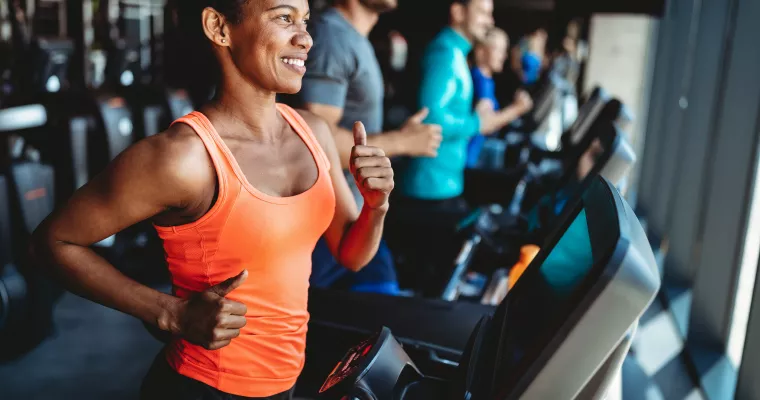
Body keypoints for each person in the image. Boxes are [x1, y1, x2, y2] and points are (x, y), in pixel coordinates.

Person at [31, 1, 394, 399]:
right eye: (284, 17)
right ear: (219, 27)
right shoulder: (184, 157)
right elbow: (54, 242)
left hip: (285, 382)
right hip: (203, 385)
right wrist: (169, 312)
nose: (305, 38)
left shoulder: (314, 132)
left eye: (305, 21)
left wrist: (375, 206)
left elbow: (351, 254)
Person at [292, 0, 442, 295]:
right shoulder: (332, 36)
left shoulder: (351, 36)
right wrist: (402, 142)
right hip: (328, 226)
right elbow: (315, 135)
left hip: (356, 216)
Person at [397, 0, 532, 211]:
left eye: (490, 14)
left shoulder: (456, 53)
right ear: (458, 12)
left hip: (445, 182)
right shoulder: (445, 54)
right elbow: (431, 118)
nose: (490, 21)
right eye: (483, 13)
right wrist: (478, 122)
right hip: (432, 186)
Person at [467, 26, 532, 167]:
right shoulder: (480, 81)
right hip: (470, 160)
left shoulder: (487, 80)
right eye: (498, 50)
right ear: (481, 51)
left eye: (504, 51)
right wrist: (518, 108)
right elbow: (484, 125)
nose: (504, 56)